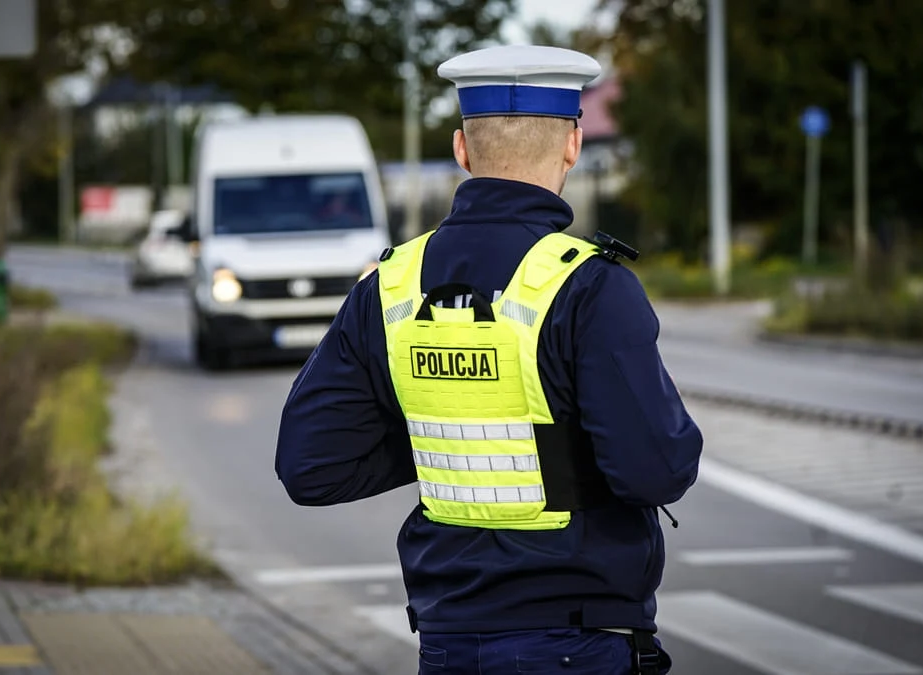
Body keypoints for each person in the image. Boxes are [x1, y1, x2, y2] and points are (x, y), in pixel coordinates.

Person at [275, 44, 703, 675]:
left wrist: (446, 428)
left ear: (461, 149)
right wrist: (543, 443)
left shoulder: (389, 285)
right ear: (572, 145)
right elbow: (656, 471)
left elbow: (312, 467)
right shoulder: (590, 286)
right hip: (577, 639)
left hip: (448, 639)